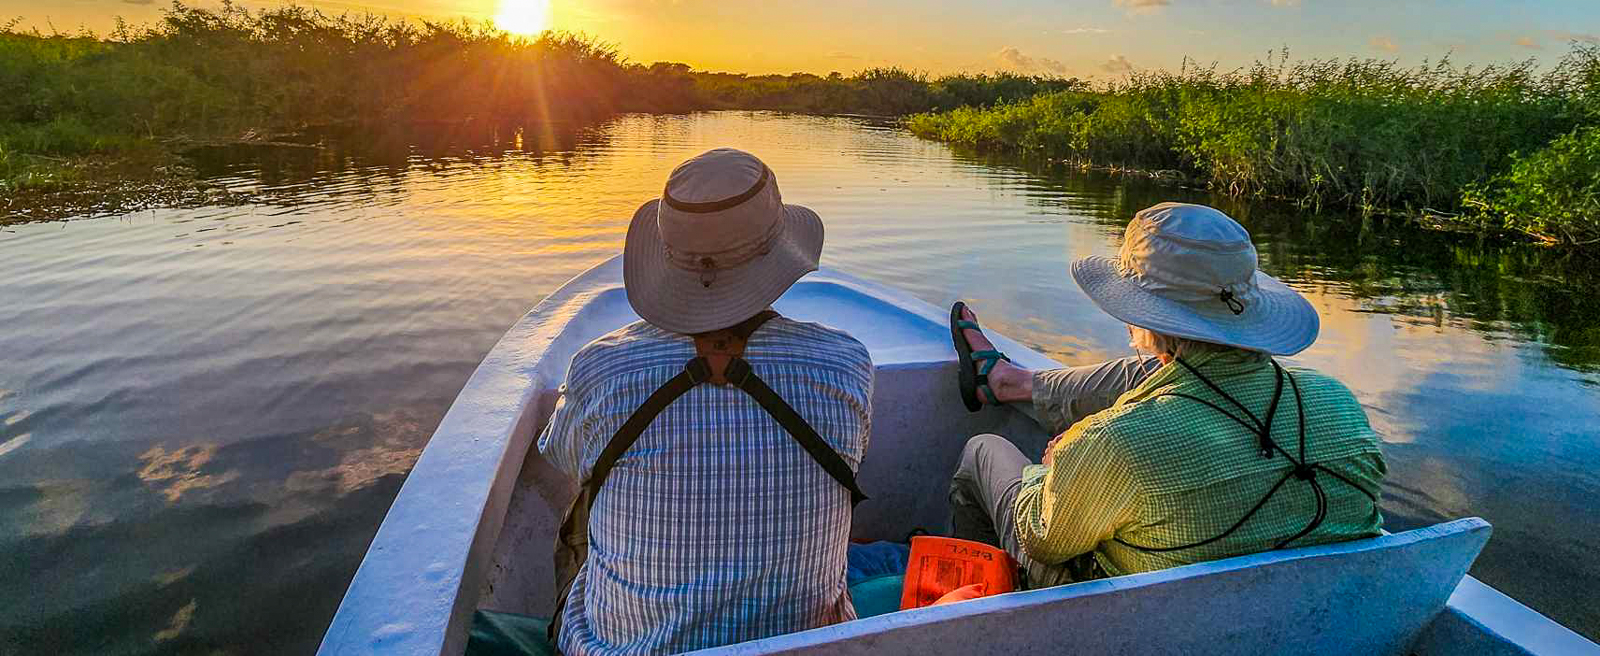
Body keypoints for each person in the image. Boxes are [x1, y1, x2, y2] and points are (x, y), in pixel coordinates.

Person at [539, 148, 874, 656]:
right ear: (780, 249)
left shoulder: (599, 368)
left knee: (588, 492)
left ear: (667, 257)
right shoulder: (846, 364)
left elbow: (562, 457)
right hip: (809, 647)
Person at [947, 202, 1386, 588]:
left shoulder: (1109, 445)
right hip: (1287, 613)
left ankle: (970, 602)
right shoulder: (1337, 402)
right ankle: (1007, 382)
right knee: (1152, 375)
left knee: (982, 452)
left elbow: (1041, 540)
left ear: (1145, 319)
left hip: (1132, 622)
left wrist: (1052, 470)